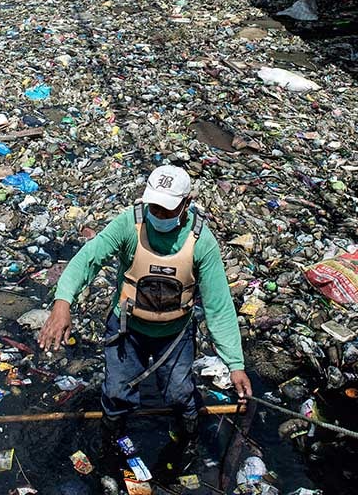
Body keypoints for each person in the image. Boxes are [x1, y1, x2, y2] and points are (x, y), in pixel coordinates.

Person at [39, 165, 252, 473]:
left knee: (180, 393)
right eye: (154, 207)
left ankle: (186, 438)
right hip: (128, 329)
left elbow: (219, 306)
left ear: (187, 203)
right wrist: (62, 302)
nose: (159, 215)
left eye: (167, 210)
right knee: (116, 393)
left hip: (175, 336)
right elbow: (88, 259)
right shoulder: (129, 225)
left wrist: (235, 364)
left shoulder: (201, 241)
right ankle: (113, 441)